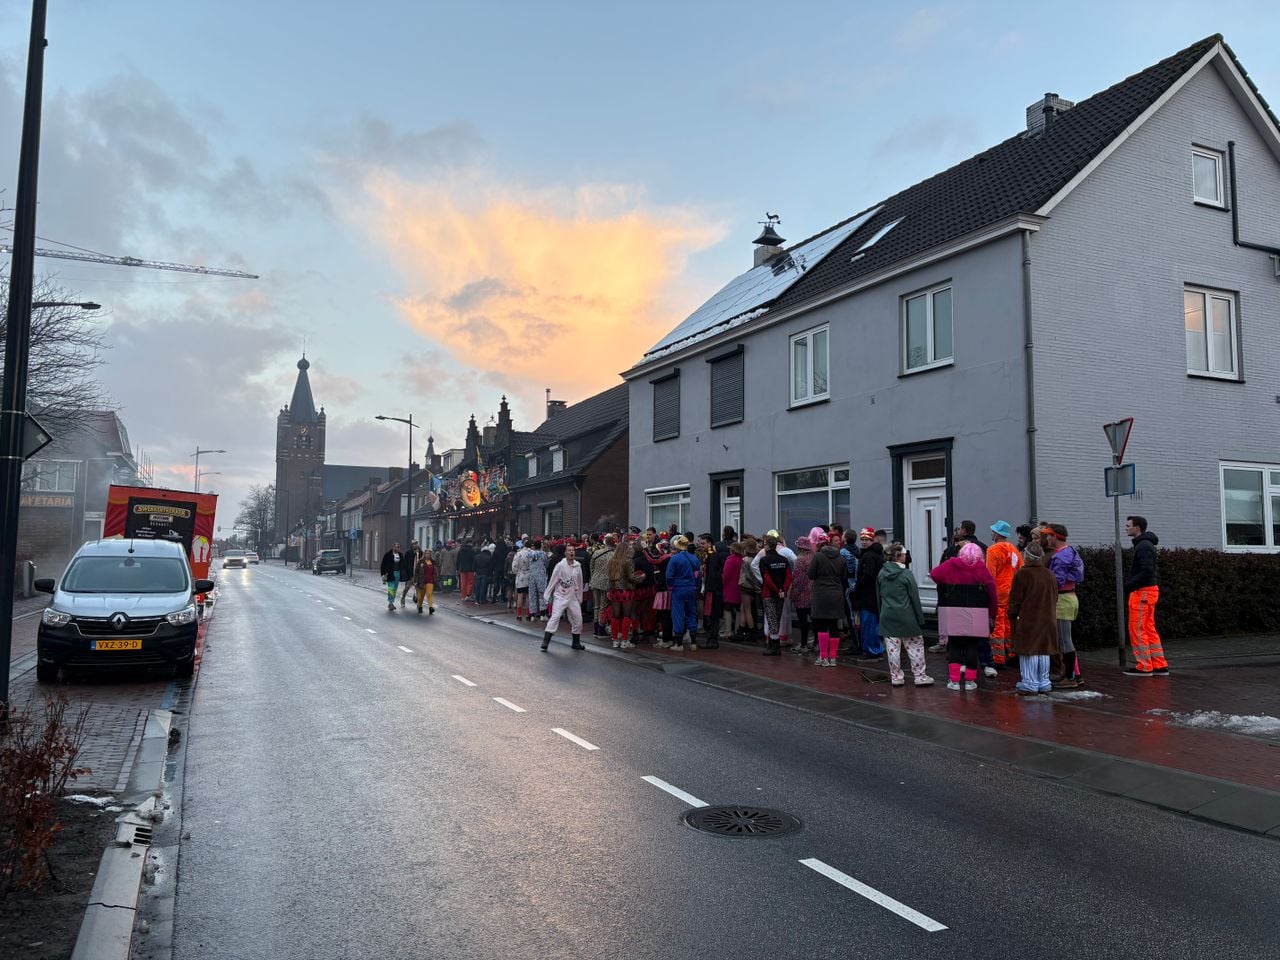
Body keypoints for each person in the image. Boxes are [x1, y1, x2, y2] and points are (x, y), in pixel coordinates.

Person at [931, 542, 998, 691]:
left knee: (954, 644)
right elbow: (992, 592)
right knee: (972, 645)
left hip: (953, 610)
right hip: (977, 612)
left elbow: (934, 574)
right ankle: (970, 681)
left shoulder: (951, 564)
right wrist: (992, 613)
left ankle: (954, 680)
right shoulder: (982, 568)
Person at [877, 542, 933, 687]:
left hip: (888, 615)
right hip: (907, 615)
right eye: (904, 554)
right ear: (899, 556)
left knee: (892, 649)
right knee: (915, 646)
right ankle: (920, 676)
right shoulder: (906, 574)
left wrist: (881, 613)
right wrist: (920, 618)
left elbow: (879, 596)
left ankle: (896, 677)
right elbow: (914, 597)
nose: (906, 556)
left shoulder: (881, 573)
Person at [1007, 543, 1058, 694]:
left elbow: (1015, 600)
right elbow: (1055, 597)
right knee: (1043, 650)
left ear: (1027, 557)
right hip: (1048, 618)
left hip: (1028, 619)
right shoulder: (1049, 574)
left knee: (1028, 650)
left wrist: (1012, 615)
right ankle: (1044, 681)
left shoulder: (1022, 574)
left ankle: (1030, 682)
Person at [1124, 516, 1169, 677]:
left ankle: (1144, 666)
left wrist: (1130, 585)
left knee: (1137, 629)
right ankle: (1159, 664)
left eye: (1128, 525)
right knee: (1148, 627)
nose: (1126, 528)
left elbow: (1146, 571)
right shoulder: (1146, 544)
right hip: (1148, 591)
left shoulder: (1143, 546)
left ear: (1137, 528)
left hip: (1142, 592)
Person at [1041, 523, 1085, 688]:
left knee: (1065, 641)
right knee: (1065, 640)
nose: (1047, 538)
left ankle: (1069, 678)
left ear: (1055, 536)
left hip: (1063, 600)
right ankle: (1071, 675)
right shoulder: (1070, 551)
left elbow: (1056, 581)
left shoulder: (1060, 557)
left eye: (1049, 535)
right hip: (1070, 597)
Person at [985, 521, 1021, 671]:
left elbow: (990, 574)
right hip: (1011, 592)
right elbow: (1020, 570)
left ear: (997, 534)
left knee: (997, 624)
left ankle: (998, 658)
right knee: (1009, 623)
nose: (991, 534)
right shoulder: (1014, 550)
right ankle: (1012, 653)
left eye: (993, 532)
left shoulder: (992, 550)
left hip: (998, 592)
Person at [807, 527, 846, 667]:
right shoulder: (840, 557)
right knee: (834, 626)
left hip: (821, 594)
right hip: (836, 594)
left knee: (822, 626)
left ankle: (823, 657)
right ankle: (833, 657)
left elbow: (811, 574)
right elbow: (844, 577)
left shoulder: (817, 556)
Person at [539, 542, 585, 651]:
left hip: (572, 596)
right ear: (565, 553)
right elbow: (553, 580)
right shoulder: (560, 566)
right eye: (569, 550)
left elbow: (579, 582)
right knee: (555, 616)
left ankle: (576, 642)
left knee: (578, 618)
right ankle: (546, 641)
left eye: (573, 550)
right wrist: (547, 594)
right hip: (560, 596)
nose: (571, 552)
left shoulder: (577, 566)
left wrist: (579, 597)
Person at [850, 528, 885, 660]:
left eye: (867, 539)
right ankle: (875, 648)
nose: (864, 542)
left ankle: (872, 651)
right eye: (862, 539)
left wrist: (857, 588)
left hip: (867, 596)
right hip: (873, 595)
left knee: (868, 624)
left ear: (872, 540)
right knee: (872, 623)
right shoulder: (875, 554)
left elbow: (867, 575)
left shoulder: (869, 556)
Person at [759, 534, 793, 656]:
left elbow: (766, 578)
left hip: (769, 593)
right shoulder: (784, 560)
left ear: (767, 546)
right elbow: (789, 576)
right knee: (777, 618)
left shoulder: (764, 560)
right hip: (781, 594)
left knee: (771, 618)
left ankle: (774, 645)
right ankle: (774, 644)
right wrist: (783, 589)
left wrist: (776, 589)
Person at [665, 535, 701, 651]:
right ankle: (693, 642)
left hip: (678, 589)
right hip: (691, 589)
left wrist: (670, 586)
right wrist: (696, 586)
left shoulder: (674, 559)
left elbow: (669, 576)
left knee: (678, 615)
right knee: (691, 614)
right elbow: (698, 575)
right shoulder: (694, 558)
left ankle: (679, 644)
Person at [606, 539, 640, 649]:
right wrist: (641, 578)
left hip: (614, 591)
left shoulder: (611, 560)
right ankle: (625, 640)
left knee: (615, 616)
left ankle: (615, 640)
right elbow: (631, 577)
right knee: (626, 616)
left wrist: (608, 590)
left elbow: (608, 577)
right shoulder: (628, 561)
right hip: (626, 591)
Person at [790, 535, 814, 653]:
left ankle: (803, 645)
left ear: (800, 547)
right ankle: (816, 643)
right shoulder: (813, 558)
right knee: (814, 620)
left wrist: (793, 593)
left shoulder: (799, 560)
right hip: (812, 593)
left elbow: (797, 579)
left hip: (802, 594)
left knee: (803, 620)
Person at [589, 535, 614, 637]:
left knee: (596, 606)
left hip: (595, 580)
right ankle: (601, 629)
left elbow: (591, 566)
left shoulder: (596, 552)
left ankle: (595, 629)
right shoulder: (613, 555)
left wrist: (593, 577)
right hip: (606, 582)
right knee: (603, 606)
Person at [721, 540, 744, 641]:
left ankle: (728, 631)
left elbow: (726, 575)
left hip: (729, 587)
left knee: (727, 609)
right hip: (740, 587)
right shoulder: (742, 560)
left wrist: (722, 583)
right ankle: (737, 630)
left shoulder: (730, 560)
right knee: (738, 609)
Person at [525, 538, 549, 621]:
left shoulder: (530, 554)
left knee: (532, 595)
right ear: (541, 546)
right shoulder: (543, 554)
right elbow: (546, 564)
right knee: (542, 594)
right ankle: (542, 614)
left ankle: (532, 615)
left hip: (532, 575)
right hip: (541, 575)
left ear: (534, 546)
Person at [379, 542, 403, 611]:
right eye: (396, 547)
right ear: (393, 547)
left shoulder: (400, 555)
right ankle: (390, 603)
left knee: (395, 589)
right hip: (390, 574)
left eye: (398, 547)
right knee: (391, 588)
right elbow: (383, 564)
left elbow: (403, 564)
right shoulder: (388, 555)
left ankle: (392, 602)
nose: (397, 548)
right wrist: (383, 574)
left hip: (397, 573)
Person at [414, 548, 438, 614]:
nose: (428, 555)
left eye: (429, 553)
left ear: (430, 555)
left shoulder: (433, 562)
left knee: (429, 594)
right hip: (422, 581)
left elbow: (435, 571)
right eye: (426, 553)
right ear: (424, 554)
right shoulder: (421, 562)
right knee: (421, 596)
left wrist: (436, 578)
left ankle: (430, 608)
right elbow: (416, 572)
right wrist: (415, 581)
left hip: (430, 580)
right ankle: (420, 606)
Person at [398, 541, 420, 608]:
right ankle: (403, 598)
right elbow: (405, 564)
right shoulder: (408, 553)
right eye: (414, 544)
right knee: (407, 587)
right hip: (410, 574)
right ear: (412, 545)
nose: (415, 545)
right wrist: (407, 574)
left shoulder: (421, 553)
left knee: (418, 589)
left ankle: (419, 603)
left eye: (416, 544)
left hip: (418, 574)